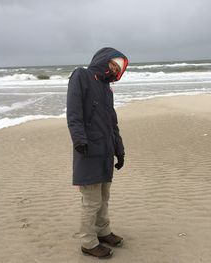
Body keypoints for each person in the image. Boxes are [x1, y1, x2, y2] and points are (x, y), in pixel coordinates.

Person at [66, 47, 128, 259]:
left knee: (104, 197)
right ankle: (88, 242)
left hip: (105, 152)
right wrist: (80, 140)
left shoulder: (107, 89)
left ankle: (103, 232)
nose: (113, 69)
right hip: (88, 150)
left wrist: (119, 151)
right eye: (112, 64)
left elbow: (113, 123)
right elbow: (74, 112)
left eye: (117, 68)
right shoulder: (81, 75)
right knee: (91, 200)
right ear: (103, 59)